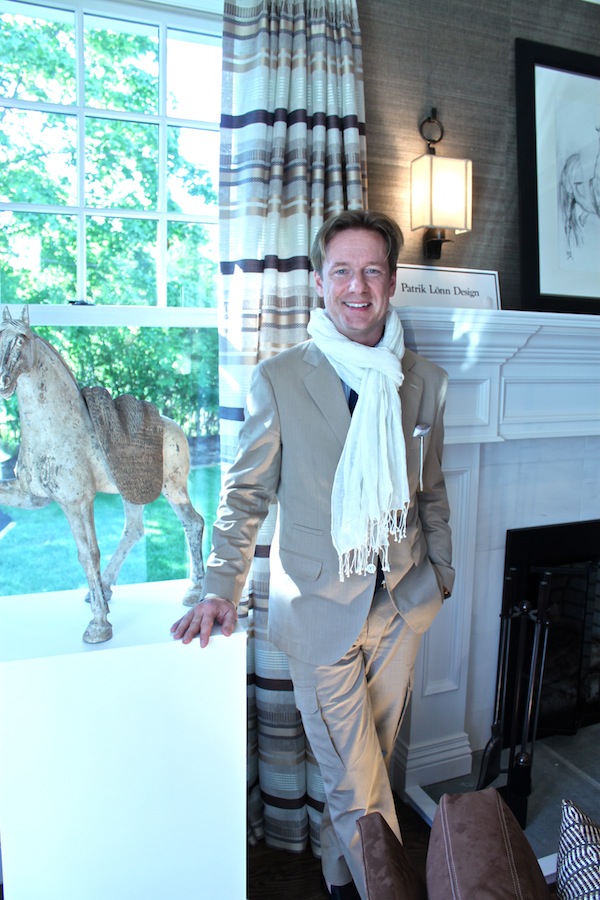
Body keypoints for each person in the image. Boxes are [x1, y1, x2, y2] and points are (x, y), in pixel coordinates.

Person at [171, 209, 454, 900]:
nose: (357, 286)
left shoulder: (424, 380)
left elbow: (433, 491)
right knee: (357, 785)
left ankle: (339, 877)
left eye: (372, 271)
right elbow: (244, 497)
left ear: (391, 281)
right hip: (318, 610)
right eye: (342, 271)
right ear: (319, 281)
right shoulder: (280, 378)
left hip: (401, 603)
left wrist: (440, 576)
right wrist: (218, 587)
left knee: (368, 768)